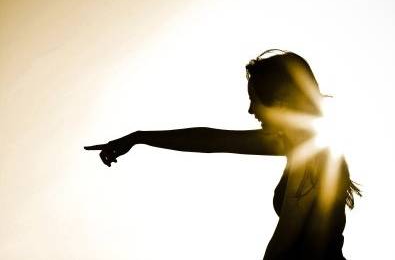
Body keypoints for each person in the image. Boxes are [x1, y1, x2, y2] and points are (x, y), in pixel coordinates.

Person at [85, 49, 361, 260]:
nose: (251, 111)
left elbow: (285, 240)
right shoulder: (296, 146)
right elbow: (210, 138)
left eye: (255, 100)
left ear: (278, 101)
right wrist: (139, 137)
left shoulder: (314, 156)